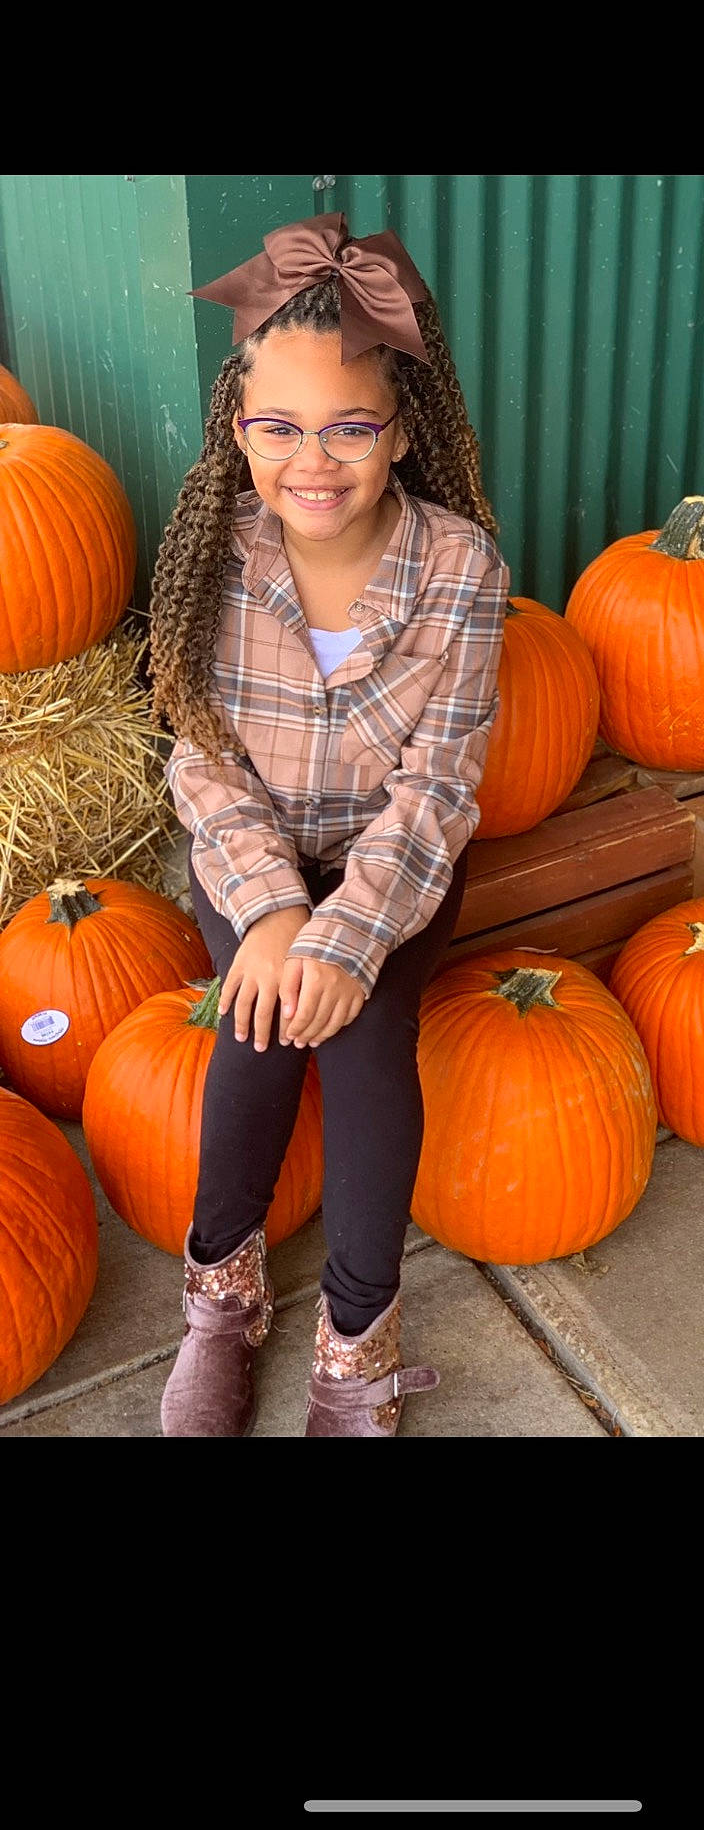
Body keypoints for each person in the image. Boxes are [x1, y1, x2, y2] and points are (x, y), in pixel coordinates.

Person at [148, 210, 510, 1437]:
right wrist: (270, 912)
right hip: (251, 857)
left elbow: (439, 787)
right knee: (254, 1025)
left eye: (349, 427)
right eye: (280, 427)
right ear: (238, 427)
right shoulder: (214, 555)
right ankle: (220, 1294)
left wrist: (346, 935)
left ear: (400, 429)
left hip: (392, 864)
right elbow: (202, 757)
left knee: (361, 1042)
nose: (313, 460)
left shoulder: (461, 569)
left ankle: (356, 1342)